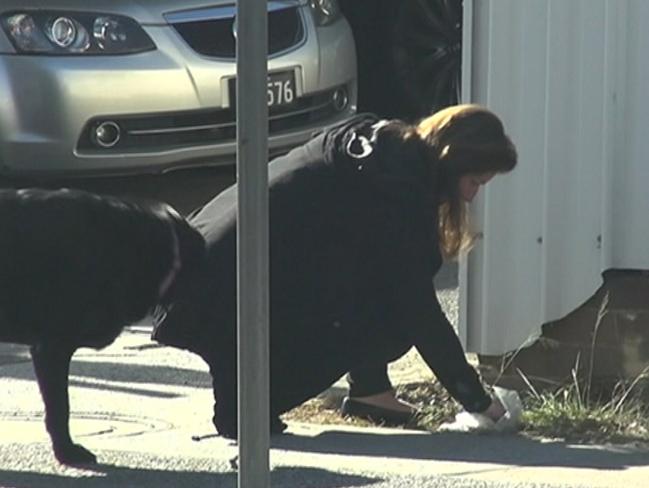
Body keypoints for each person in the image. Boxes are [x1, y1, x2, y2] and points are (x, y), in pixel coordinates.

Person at [152, 104, 517, 438]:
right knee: (394, 315)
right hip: (218, 294)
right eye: (474, 182)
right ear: (451, 163)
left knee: (375, 287)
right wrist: (478, 402)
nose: (471, 197)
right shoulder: (399, 197)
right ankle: (247, 402)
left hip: (192, 262)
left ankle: (371, 391)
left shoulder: (374, 144)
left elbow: (364, 271)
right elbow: (420, 311)